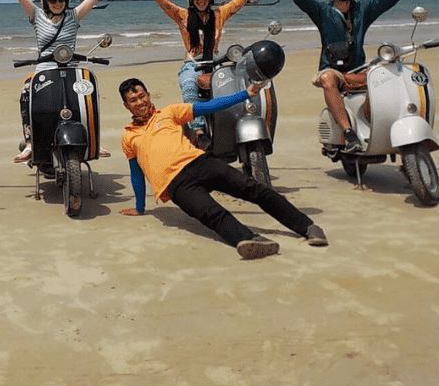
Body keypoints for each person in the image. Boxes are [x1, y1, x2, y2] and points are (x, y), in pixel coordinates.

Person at [118, 77, 328, 259]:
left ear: (148, 95)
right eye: (133, 100)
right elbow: (136, 172)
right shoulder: (129, 136)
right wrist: (139, 207)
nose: (140, 102)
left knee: (252, 189)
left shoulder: (169, 113)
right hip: (174, 184)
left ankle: (307, 227)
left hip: (199, 163)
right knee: (211, 213)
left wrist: (245, 94)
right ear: (127, 105)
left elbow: (210, 106)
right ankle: (248, 240)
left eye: (142, 96)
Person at [271, 0, 437, 153]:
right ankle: (349, 133)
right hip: (334, 70)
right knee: (327, 79)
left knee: (388, 74)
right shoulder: (321, 11)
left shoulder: (363, 10)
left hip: (359, 69)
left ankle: (378, 124)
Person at [0, 0, 131, 162]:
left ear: (67, 0)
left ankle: (92, 141)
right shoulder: (36, 16)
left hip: (71, 68)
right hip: (44, 69)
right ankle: (29, 144)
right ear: (45, 0)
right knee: (26, 93)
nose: (57, 3)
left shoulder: (74, 16)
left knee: (88, 96)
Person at [134, 0, 274, 142]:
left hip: (215, 64)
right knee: (189, 86)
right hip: (192, 65)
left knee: (237, 85)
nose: (201, 0)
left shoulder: (219, 15)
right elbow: (163, 2)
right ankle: (199, 132)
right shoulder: (182, 15)